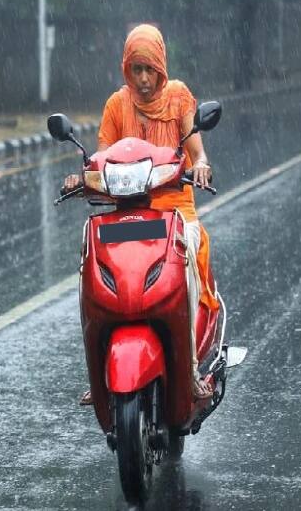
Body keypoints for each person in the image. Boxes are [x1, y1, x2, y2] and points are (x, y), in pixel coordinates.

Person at [63, 24, 218, 403]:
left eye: (150, 70)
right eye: (137, 70)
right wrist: (80, 178)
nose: (144, 80)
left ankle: (191, 369)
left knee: (188, 256)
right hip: (126, 216)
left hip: (173, 212)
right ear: (126, 70)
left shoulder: (179, 97)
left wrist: (200, 165)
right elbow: (100, 161)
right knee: (90, 265)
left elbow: (197, 152)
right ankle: (100, 373)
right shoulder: (117, 105)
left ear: (161, 69)